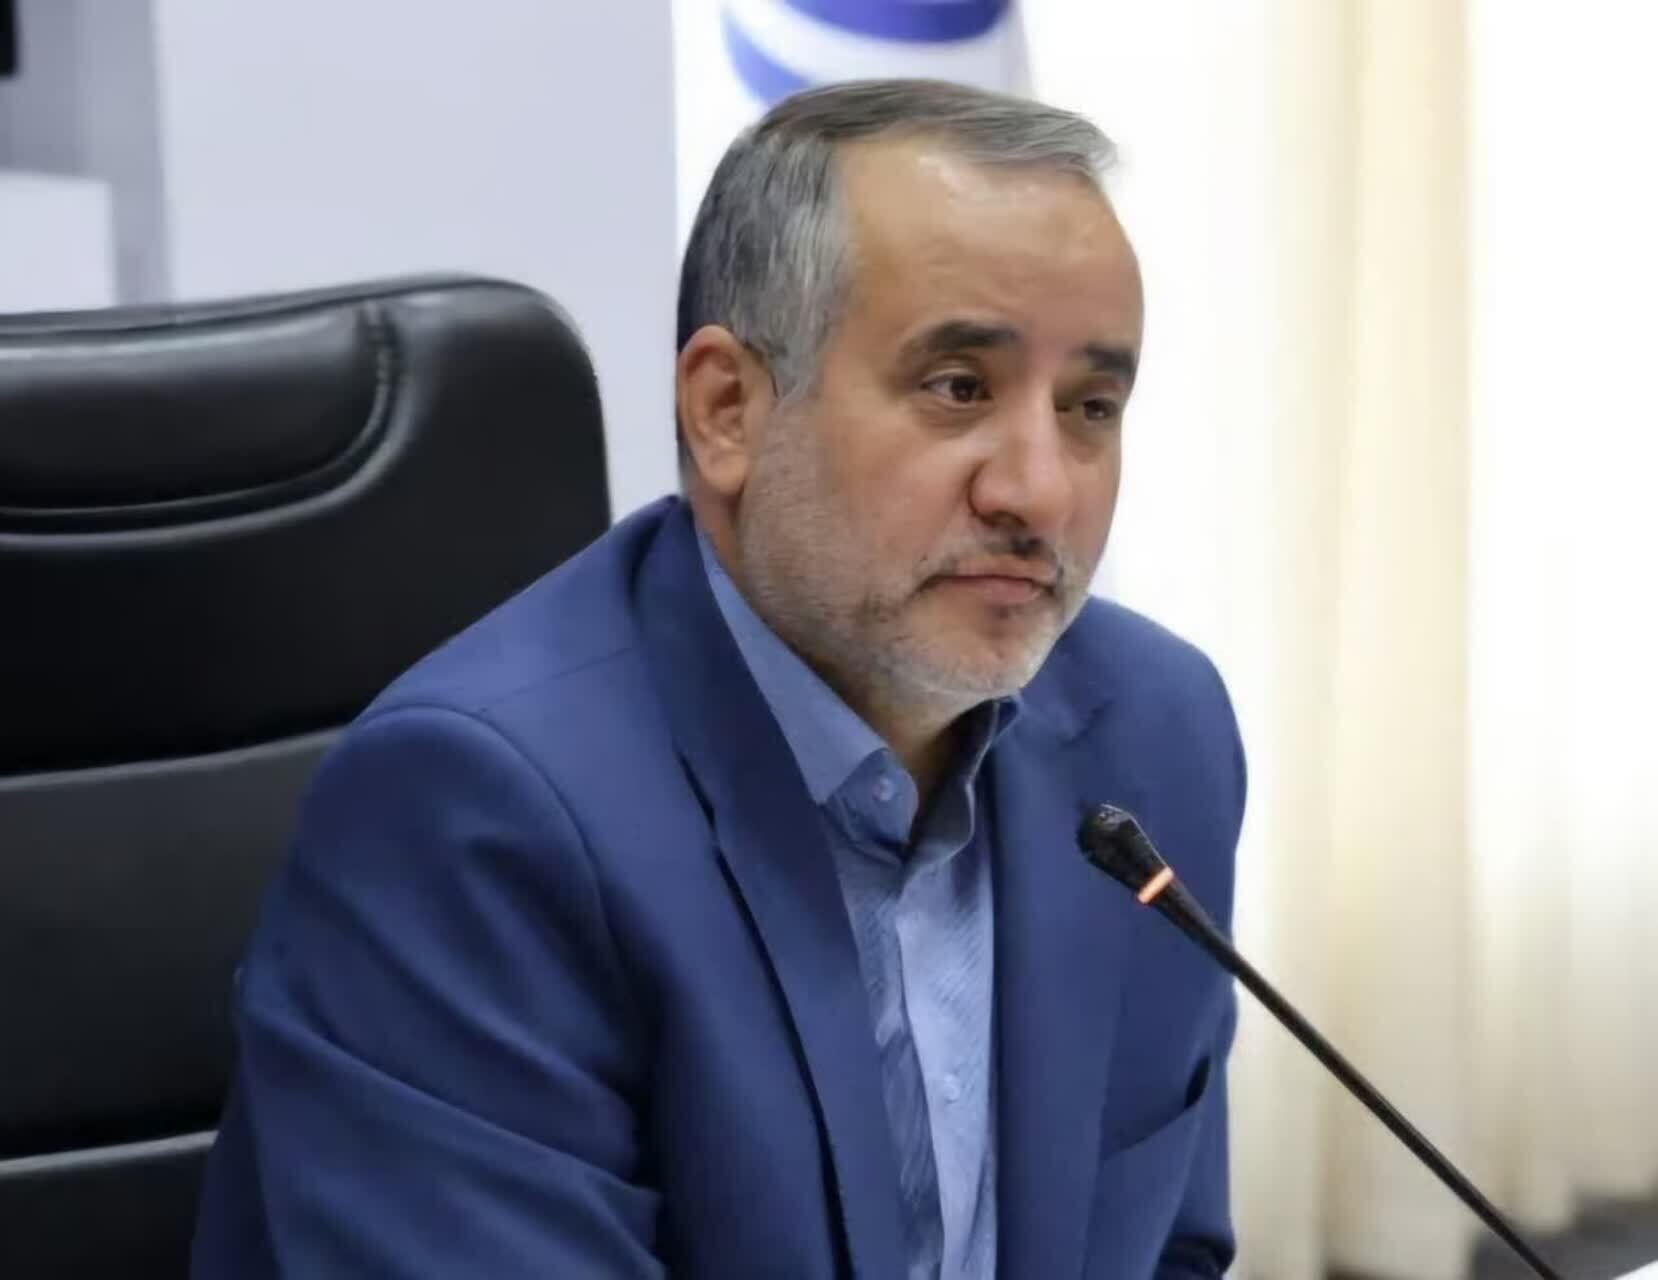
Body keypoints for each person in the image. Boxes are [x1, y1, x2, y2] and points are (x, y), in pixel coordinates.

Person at [192, 78, 1246, 1279]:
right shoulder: (468, 813)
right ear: (727, 409)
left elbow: (1169, 1250)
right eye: (957, 387)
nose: (1039, 490)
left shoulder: (1154, 736)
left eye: (1089, 407)